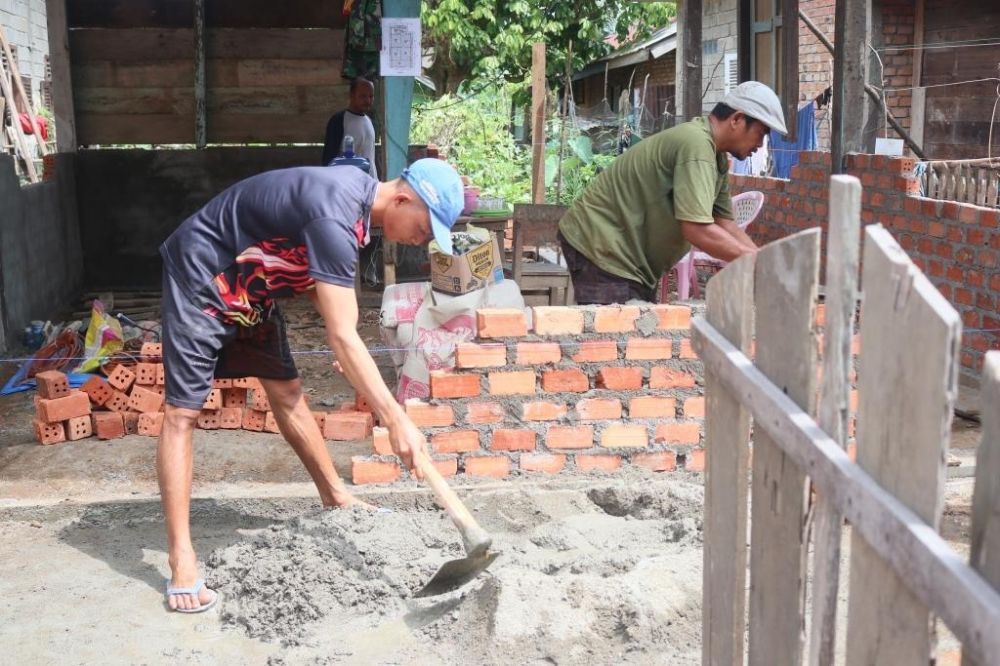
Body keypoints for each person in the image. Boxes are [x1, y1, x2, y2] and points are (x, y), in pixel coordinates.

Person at [157, 158, 464, 613]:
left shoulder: (357, 206)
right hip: (204, 276)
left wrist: (348, 347)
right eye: (424, 227)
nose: (422, 241)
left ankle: (336, 496)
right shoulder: (334, 212)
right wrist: (394, 417)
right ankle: (181, 556)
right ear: (402, 199)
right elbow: (342, 331)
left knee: (287, 392)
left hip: (253, 288)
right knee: (182, 412)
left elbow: (328, 299)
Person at [557, 81, 788, 304]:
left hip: (627, 258)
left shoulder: (715, 157)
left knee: (635, 332)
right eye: (761, 133)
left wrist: (762, 260)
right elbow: (697, 229)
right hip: (603, 247)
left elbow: (725, 223)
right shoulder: (696, 145)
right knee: (618, 339)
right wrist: (756, 263)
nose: (761, 144)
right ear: (737, 119)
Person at [322, 77, 378, 179]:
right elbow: (328, 159)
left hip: (370, 185)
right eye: (363, 96)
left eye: (371, 96)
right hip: (348, 186)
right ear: (351, 96)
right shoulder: (339, 120)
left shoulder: (369, 121)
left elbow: (371, 159)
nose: (368, 100)